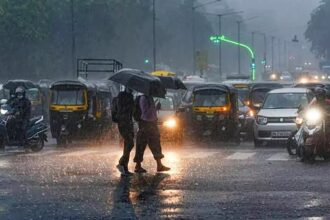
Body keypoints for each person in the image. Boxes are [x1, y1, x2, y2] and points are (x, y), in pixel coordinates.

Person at [134, 95, 170, 173]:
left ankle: (159, 165)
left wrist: (156, 108)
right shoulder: (144, 98)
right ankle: (138, 166)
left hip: (152, 124)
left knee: (156, 144)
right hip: (146, 124)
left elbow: (151, 113)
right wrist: (153, 107)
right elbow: (145, 113)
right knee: (141, 144)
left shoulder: (150, 98)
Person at [115, 87, 135, 176]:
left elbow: (131, 112)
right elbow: (121, 110)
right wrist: (130, 104)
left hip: (129, 122)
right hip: (123, 123)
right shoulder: (121, 96)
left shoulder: (130, 96)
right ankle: (121, 162)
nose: (132, 89)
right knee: (130, 143)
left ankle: (125, 168)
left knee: (127, 144)